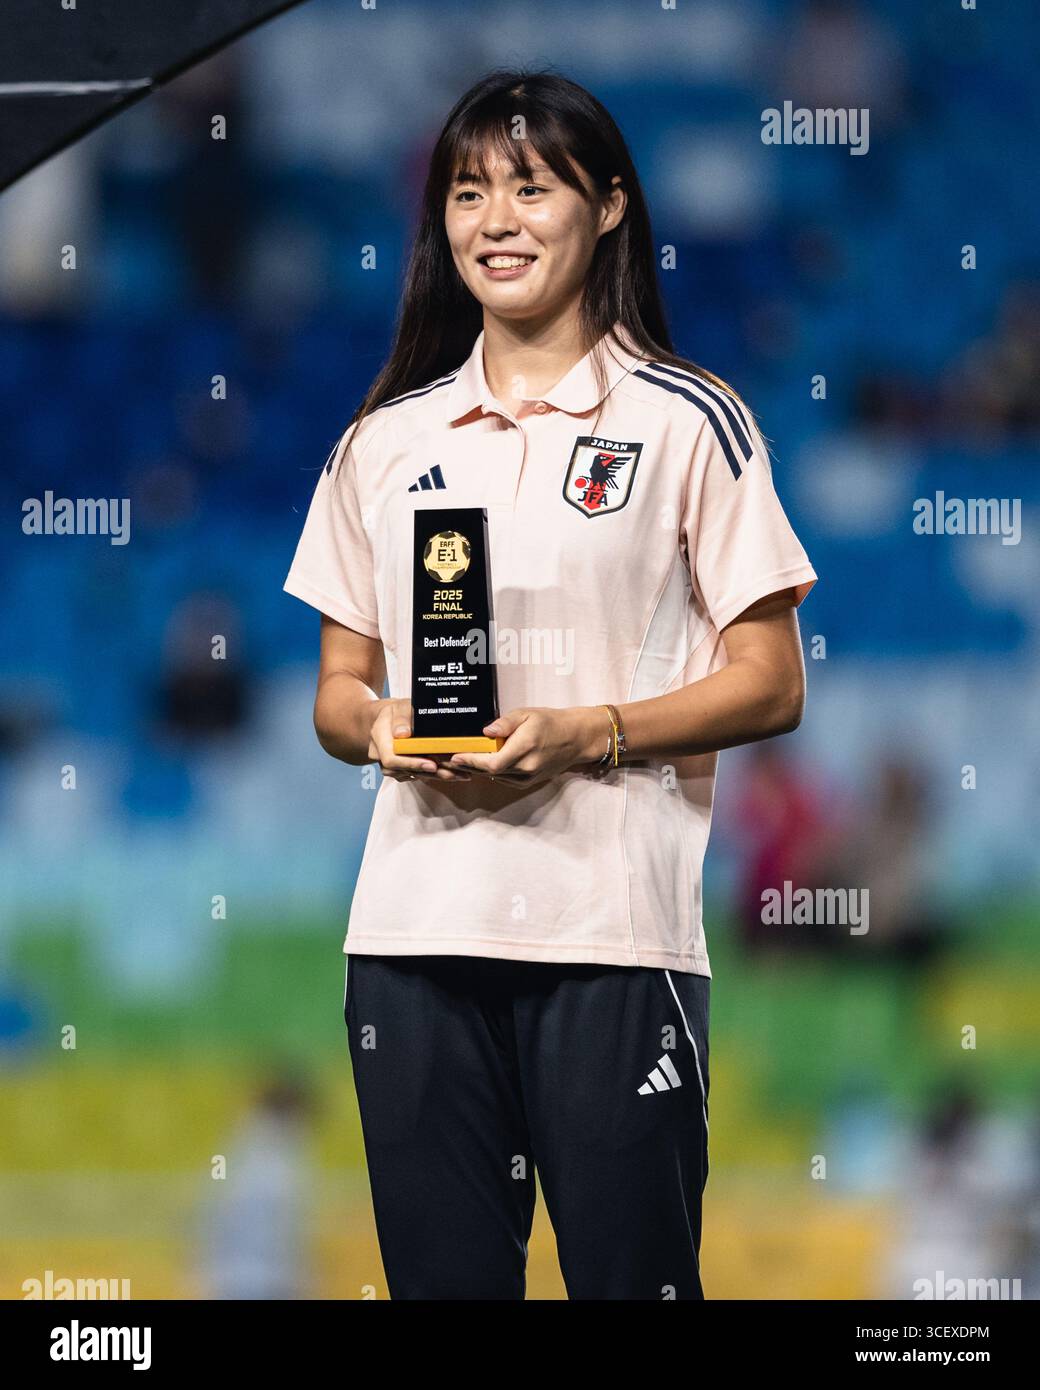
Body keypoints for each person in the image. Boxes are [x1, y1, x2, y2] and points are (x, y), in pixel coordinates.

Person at [284, 69, 817, 1300]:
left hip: (610, 941)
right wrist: (380, 729)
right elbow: (335, 691)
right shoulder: (383, 441)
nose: (496, 219)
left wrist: (594, 733)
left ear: (612, 206)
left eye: (532, 187)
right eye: (467, 192)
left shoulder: (692, 423)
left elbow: (770, 681)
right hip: (412, 938)